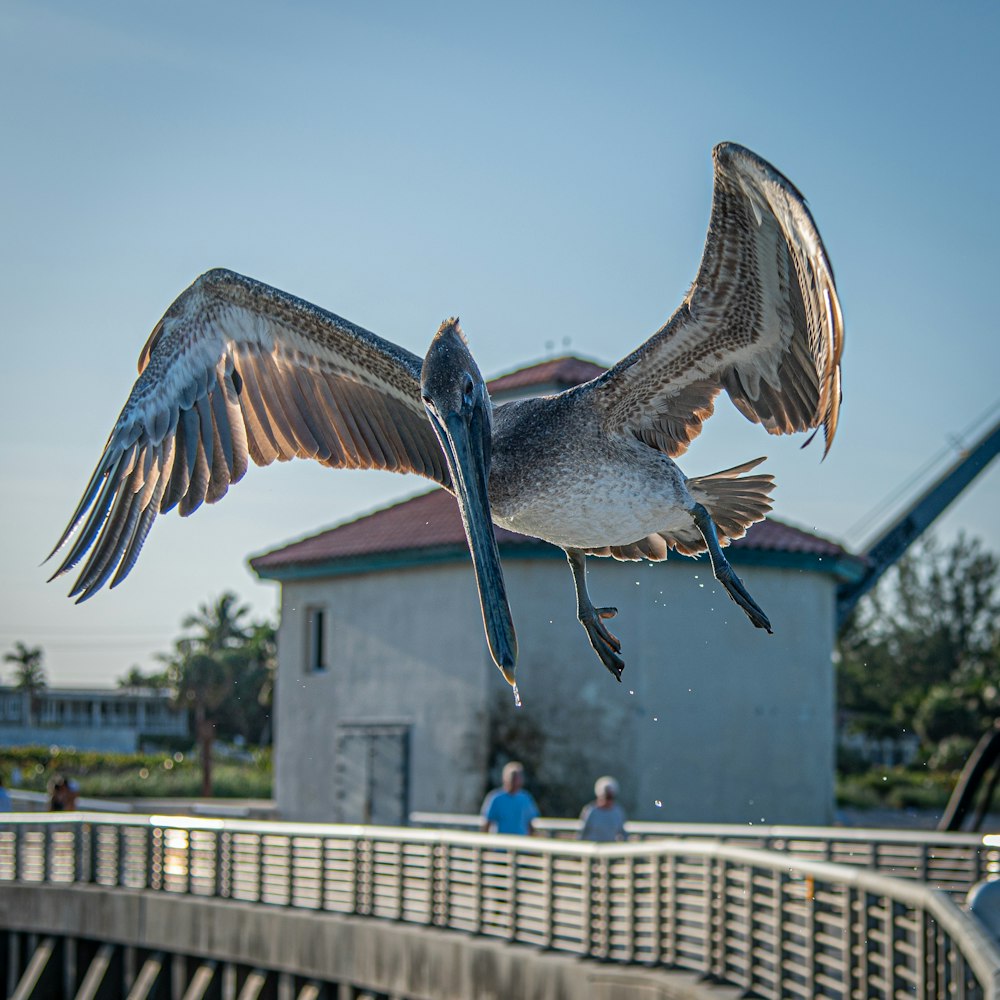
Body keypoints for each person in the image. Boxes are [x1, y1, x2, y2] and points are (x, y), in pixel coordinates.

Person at [480, 761, 539, 835]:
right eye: (513, 777)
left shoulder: (525, 798)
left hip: (520, 843)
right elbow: (487, 823)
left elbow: (530, 823)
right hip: (500, 843)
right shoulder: (496, 798)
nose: (515, 781)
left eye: (518, 778)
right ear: (505, 778)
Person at [578, 776, 627, 842]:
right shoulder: (590, 811)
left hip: (609, 849)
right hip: (592, 849)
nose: (608, 801)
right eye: (606, 797)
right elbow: (582, 833)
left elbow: (622, 833)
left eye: (610, 797)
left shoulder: (618, 812)